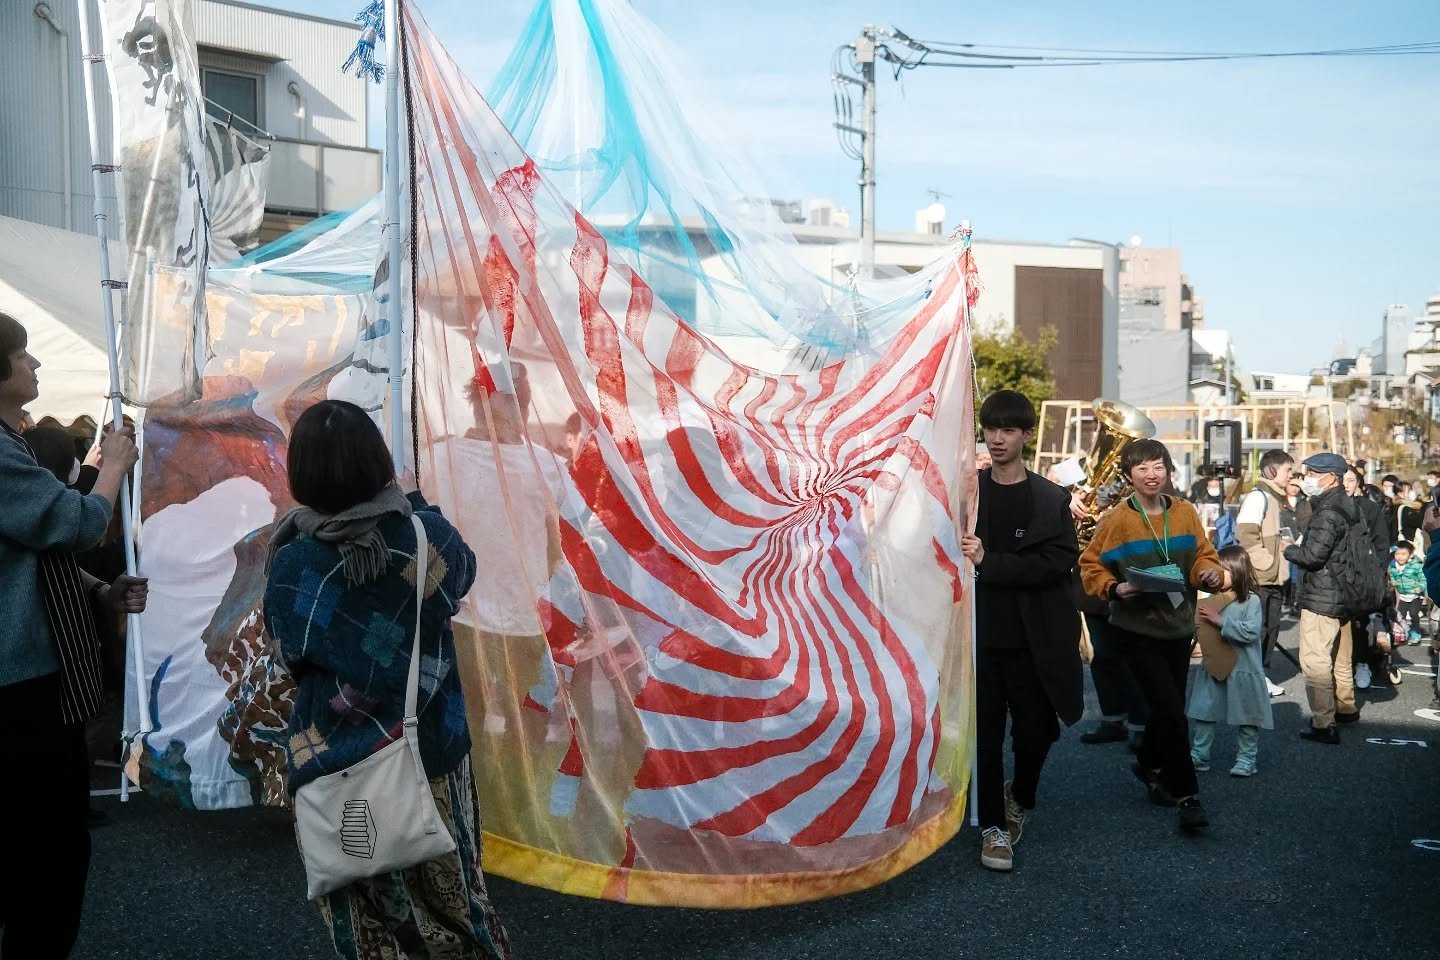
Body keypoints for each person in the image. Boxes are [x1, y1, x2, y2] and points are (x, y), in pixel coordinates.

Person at [265, 399, 511, 960]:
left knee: (361, 906)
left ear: (301, 473)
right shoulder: (425, 537)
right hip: (430, 745)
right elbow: (463, 574)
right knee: (456, 901)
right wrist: (411, 503)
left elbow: (287, 652)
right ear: (377, 461)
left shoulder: (293, 560)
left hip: (334, 753)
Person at [0, 311, 148, 957]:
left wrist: (99, 591)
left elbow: (32, 555)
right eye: (22, 354)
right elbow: (75, 524)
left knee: (42, 848)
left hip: (30, 682)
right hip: (19, 690)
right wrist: (111, 465)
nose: (35, 364)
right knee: (47, 856)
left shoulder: (12, 444)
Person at [961, 390, 1082, 872]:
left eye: (1008, 429)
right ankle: (993, 828)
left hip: (1036, 637)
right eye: (991, 428)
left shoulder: (1050, 498)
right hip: (979, 637)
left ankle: (1020, 796)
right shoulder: (967, 491)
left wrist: (990, 561)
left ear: (1026, 435)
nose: (997, 438)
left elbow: (1057, 562)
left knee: (1037, 733)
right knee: (985, 737)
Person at [1080, 438, 1225, 835]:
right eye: (1142, 468)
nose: (1151, 474)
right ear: (1128, 475)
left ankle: (1147, 764)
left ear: (1168, 471)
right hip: (1135, 629)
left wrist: (1208, 574)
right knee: (1172, 711)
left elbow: (1204, 556)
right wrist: (1114, 588)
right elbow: (1089, 565)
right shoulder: (1117, 519)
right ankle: (1187, 797)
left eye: (1158, 466)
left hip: (1178, 628)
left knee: (1167, 708)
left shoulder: (1185, 512)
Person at [1284, 454, 1367, 743]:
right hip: (1346, 592)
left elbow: (1312, 556)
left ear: (1331, 477)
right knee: (1341, 656)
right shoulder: (1349, 504)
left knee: (1315, 660)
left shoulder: (1327, 511)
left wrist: (1288, 549)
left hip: (1323, 594)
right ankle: (1346, 707)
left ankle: (1323, 723)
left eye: (1313, 473)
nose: (1307, 478)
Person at [1187, 546, 1274, 777]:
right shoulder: (1213, 599)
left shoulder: (1251, 601)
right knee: (1204, 712)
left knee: (1247, 716)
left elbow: (1251, 632)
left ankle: (1246, 760)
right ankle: (1199, 755)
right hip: (1213, 666)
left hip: (1243, 669)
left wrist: (1220, 621)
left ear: (1237, 571)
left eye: (1221, 571)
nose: (1215, 575)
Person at [1235, 449, 1293, 697]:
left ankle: (1260, 676)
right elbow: (1245, 534)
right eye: (1288, 470)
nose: (1291, 475)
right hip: (1261, 577)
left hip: (1273, 577)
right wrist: (1266, 562)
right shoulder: (1258, 497)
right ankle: (1253, 679)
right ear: (1272, 470)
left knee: (1270, 629)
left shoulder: (1272, 497)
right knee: (1258, 630)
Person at [1390, 540, 1427, 645]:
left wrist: (1420, 587)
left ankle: (1415, 633)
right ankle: (1402, 632)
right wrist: (1393, 582)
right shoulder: (1393, 565)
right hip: (1403, 595)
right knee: (1400, 615)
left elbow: (1423, 579)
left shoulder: (1416, 565)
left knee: (1413, 614)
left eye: (1403, 554)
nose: (1400, 557)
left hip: (1416, 595)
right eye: (1397, 554)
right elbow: (1392, 575)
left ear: (1410, 555)